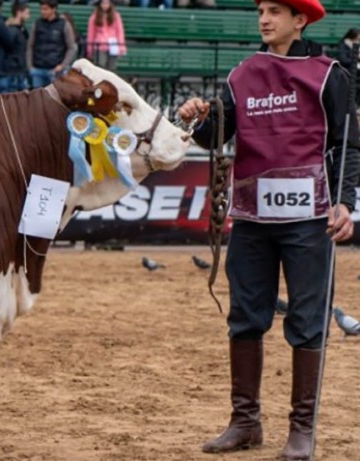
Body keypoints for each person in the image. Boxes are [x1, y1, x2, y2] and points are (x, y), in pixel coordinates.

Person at [178, 0, 360, 459]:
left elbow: (349, 145)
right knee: (245, 318)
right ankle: (245, 422)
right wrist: (197, 116)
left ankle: (302, 429)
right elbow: (214, 136)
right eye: (261, 10)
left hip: (310, 220)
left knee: (306, 321)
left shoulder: (328, 73)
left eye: (276, 11)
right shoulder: (241, 75)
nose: (264, 19)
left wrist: (345, 202)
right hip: (252, 219)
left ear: (300, 20)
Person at [27, 0, 77, 88]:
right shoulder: (37, 23)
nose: (42, 12)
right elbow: (30, 45)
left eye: (45, 9)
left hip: (55, 70)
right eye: (41, 9)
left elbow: (71, 47)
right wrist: (30, 66)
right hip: (38, 68)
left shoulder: (64, 24)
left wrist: (62, 65)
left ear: (54, 9)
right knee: (37, 99)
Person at [87, 0, 127, 72]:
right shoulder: (94, 17)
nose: (105, 5)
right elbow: (91, 34)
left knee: (112, 68)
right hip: (99, 45)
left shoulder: (116, 16)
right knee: (100, 67)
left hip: (113, 45)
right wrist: (90, 49)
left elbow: (120, 32)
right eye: (103, 3)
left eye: (107, 3)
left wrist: (121, 47)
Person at [3, 0, 31, 93]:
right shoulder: (12, 30)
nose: (29, 16)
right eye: (27, 13)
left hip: (19, 69)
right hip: (14, 70)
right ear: (19, 13)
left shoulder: (21, 29)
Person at [336, 28, 360, 108]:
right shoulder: (343, 45)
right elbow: (343, 60)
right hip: (348, 69)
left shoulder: (358, 44)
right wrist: (356, 58)